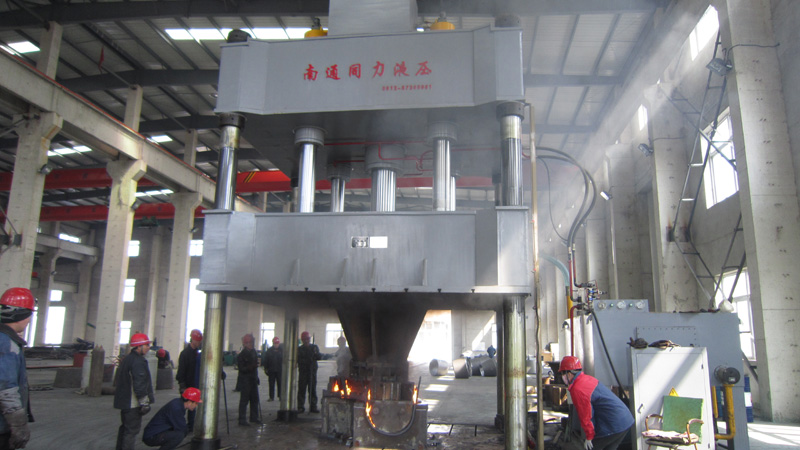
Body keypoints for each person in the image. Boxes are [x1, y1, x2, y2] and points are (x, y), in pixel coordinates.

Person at [558, 356, 633, 450]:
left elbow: (586, 415)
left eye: (562, 373)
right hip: (625, 420)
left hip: (614, 424)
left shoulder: (578, 389)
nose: (562, 377)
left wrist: (589, 436)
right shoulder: (587, 379)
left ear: (569, 374)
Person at [0, 288, 36, 450]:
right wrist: (18, 425)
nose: (29, 320)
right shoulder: (7, 344)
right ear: (22, 315)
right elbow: (5, 388)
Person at [114, 333, 155, 450]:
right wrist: (144, 402)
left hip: (125, 402)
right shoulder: (138, 362)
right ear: (138, 346)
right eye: (146, 345)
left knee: (125, 429)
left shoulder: (128, 359)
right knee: (131, 432)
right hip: (132, 403)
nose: (148, 348)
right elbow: (139, 384)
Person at [176, 329, 202, 429]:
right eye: (198, 341)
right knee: (184, 406)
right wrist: (182, 385)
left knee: (192, 407)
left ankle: (191, 426)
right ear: (193, 340)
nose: (199, 343)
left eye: (200, 341)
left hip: (194, 384)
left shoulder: (197, 354)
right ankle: (179, 425)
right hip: (187, 384)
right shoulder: (185, 354)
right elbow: (181, 371)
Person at [236, 333, 260, 426]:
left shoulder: (254, 352)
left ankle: (254, 417)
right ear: (245, 344)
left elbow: (255, 367)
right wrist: (250, 367)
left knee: (254, 399)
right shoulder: (241, 355)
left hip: (253, 379)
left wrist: (256, 377)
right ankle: (242, 419)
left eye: (251, 342)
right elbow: (241, 369)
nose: (251, 344)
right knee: (244, 400)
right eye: (249, 343)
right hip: (245, 380)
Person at [297, 331, 321, 413]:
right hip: (303, 372)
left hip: (312, 372)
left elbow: (319, 357)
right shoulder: (300, 349)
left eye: (307, 339)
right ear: (302, 340)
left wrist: (315, 354)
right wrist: (306, 360)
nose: (306, 341)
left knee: (312, 389)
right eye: (305, 339)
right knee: (301, 389)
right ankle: (300, 407)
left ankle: (313, 406)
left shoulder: (314, 347)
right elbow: (298, 360)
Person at [262, 337, 283, 402]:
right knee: (271, 384)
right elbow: (266, 360)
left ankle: (280, 396)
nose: (276, 345)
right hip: (271, 370)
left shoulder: (282, 350)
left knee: (280, 383)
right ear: (273, 343)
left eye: (277, 343)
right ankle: (271, 397)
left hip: (279, 370)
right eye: (275, 343)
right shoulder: (269, 351)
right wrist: (266, 368)